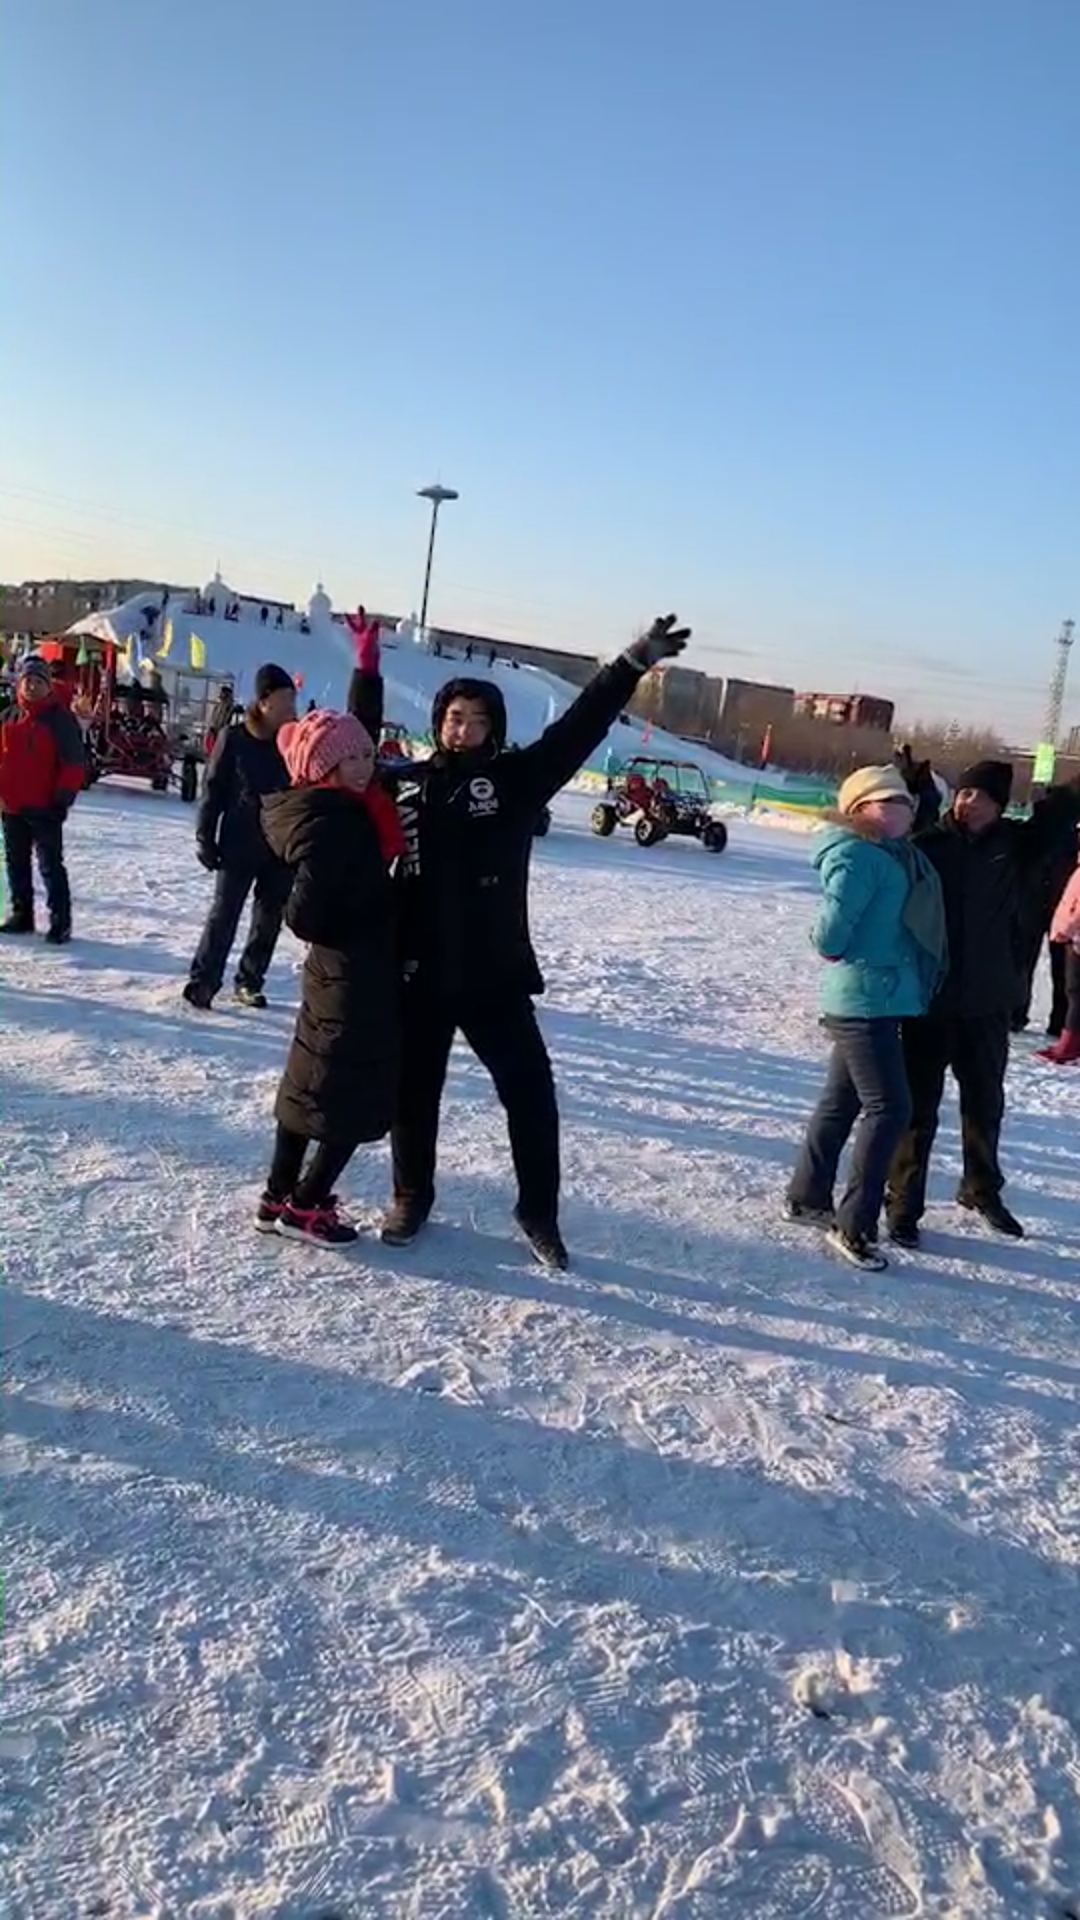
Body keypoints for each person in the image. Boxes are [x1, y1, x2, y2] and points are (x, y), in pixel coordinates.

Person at [348, 611, 691, 1269]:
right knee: (414, 1097)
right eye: (454, 717)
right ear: (439, 722)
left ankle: (538, 1210)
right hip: (418, 971)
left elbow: (580, 727)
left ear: (494, 729)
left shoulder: (517, 782)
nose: (464, 728)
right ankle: (411, 1195)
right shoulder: (406, 783)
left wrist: (630, 663)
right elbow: (357, 748)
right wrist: (366, 670)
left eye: (477, 720)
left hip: (493, 977)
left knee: (531, 1095)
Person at [887, 759, 1080, 1244]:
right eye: (965, 793)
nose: (969, 803)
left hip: (990, 1001)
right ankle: (903, 1198)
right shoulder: (926, 846)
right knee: (918, 1107)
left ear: (1000, 806)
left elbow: (1059, 815)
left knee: (985, 1102)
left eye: (982, 797)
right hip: (930, 1001)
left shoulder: (1015, 848)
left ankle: (981, 1187)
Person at [785, 766, 946, 1271]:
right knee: (890, 1109)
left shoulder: (893, 853)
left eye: (903, 800)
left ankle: (807, 1195)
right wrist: (835, 948)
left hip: (880, 995)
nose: (899, 808)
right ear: (859, 809)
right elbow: (831, 936)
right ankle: (853, 1224)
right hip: (863, 999)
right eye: (886, 801)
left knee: (840, 1101)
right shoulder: (858, 856)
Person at [255, 708, 405, 1244]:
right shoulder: (337, 821)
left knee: (309, 1085)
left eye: (368, 754)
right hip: (356, 976)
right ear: (323, 767)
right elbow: (305, 914)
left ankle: (277, 1193)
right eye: (352, 758)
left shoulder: (330, 807)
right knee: (351, 1095)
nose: (366, 766)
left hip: (335, 974)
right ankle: (306, 1206)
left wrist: (367, 669)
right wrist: (373, 915)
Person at [184, 664, 297, 1011]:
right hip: (239, 842)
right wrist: (205, 835)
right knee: (224, 915)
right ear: (264, 703)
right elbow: (213, 789)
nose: (292, 707)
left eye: (293, 699)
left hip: (280, 849)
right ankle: (204, 981)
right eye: (285, 699)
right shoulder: (234, 738)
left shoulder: (294, 742)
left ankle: (249, 981)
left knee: (268, 920)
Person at [0, 655, 87, 943]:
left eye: (38, 681)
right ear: (19, 683)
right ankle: (21, 914)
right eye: (28, 681)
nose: (32, 687)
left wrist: (61, 800)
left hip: (45, 806)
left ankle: (60, 922)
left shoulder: (59, 720)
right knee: (16, 863)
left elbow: (74, 764)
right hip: (11, 805)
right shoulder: (9, 716)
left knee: (50, 866)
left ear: (48, 686)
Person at [1038, 837, 1080, 1065]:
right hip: (1073, 935)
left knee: (1075, 991)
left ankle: (1069, 1044)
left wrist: (1064, 930)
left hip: (1076, 938)